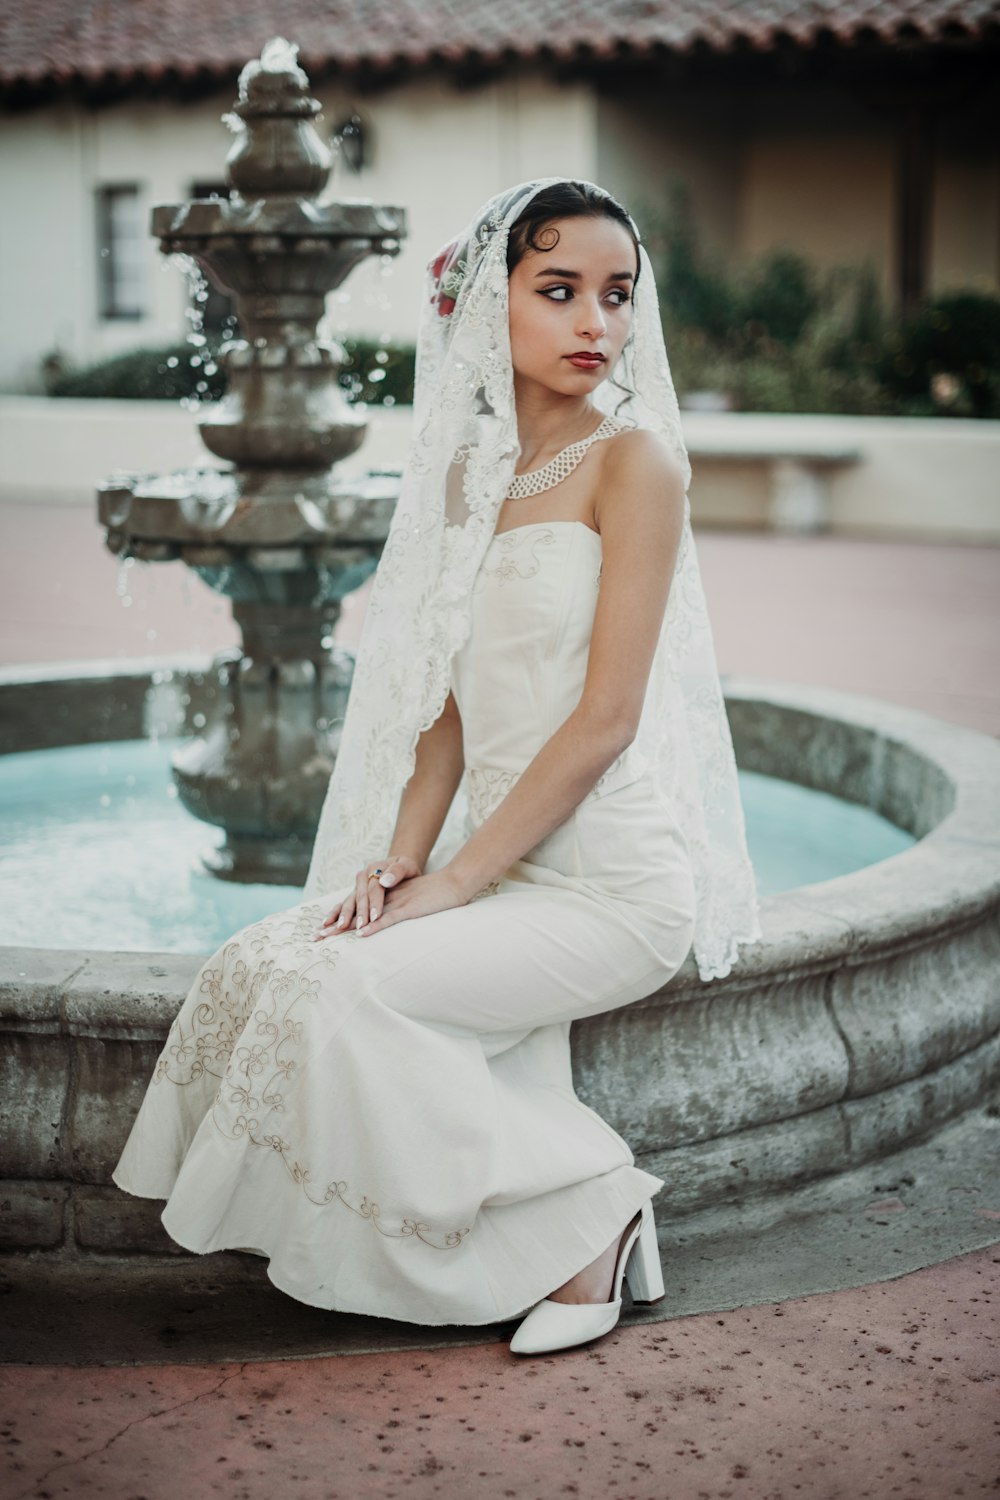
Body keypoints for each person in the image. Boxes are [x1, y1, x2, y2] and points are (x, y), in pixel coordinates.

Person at [113, 178, 761, 1356]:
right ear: (486, 307)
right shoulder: (469, 478)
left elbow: (605, 719)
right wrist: (399, 858)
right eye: (557, 290)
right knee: (265, 961)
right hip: (492, 868)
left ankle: (590, 1214)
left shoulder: (637, 465)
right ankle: (546, 1222)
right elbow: (444, 717)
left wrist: (456, 881)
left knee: (349, 996)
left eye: (615, 296)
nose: (595, 325)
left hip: (610, 885)